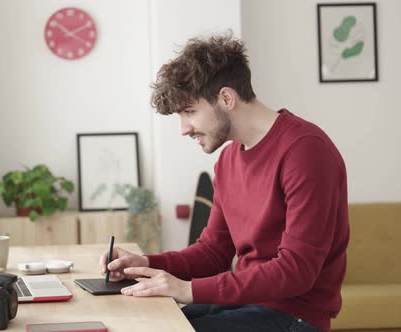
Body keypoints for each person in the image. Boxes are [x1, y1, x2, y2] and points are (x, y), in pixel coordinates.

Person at [99, 33, 349, 332]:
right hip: (246, 302)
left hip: (295, 315)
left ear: (226, 98)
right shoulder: (228, 161)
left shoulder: (305, 151)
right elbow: (213, 252)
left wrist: (188, 290)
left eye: (189, 112)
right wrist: (142, 263)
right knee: (141, 321)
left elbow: (296, 272)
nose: (183, 128)